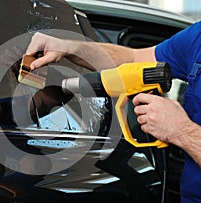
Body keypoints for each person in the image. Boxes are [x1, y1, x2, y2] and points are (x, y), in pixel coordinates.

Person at [25, 21, 201, 202]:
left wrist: (180, 130)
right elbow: (134, 59)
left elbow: (181, 130)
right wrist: (68, 47)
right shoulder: (197, 37)